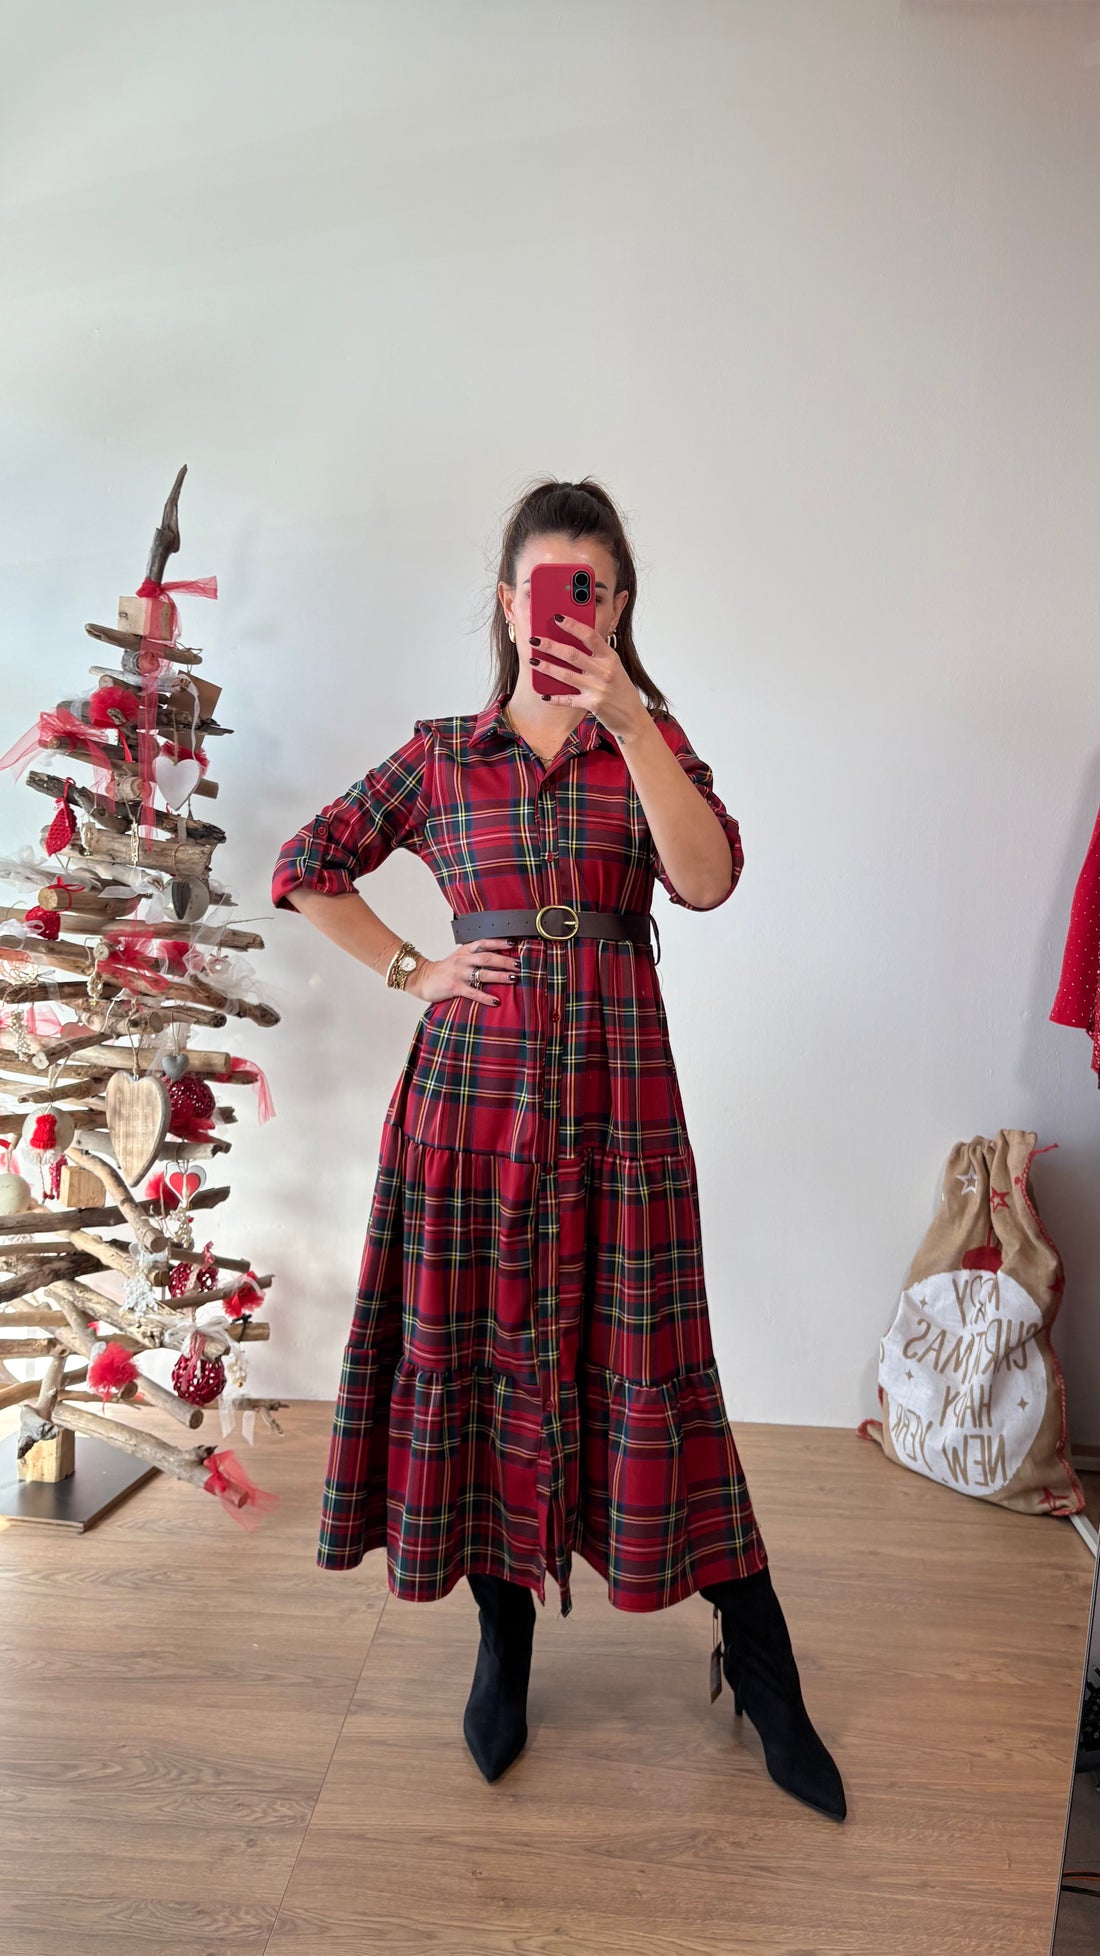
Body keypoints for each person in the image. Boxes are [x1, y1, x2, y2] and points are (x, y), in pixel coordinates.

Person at [271, 476, 846, 1820]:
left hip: (618, 1108)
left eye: (591, 590)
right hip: (470, 1112)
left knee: (658, 1370)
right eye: (544, 589)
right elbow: (306, 864)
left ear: (619, 605)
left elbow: (705, 880)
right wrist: (414, 967)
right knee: (482, 1363)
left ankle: (764, 1669)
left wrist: (632, 723)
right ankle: (504, 1638)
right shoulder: (441, 755)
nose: (565, 613)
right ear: (506, 602)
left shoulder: (648, 741)